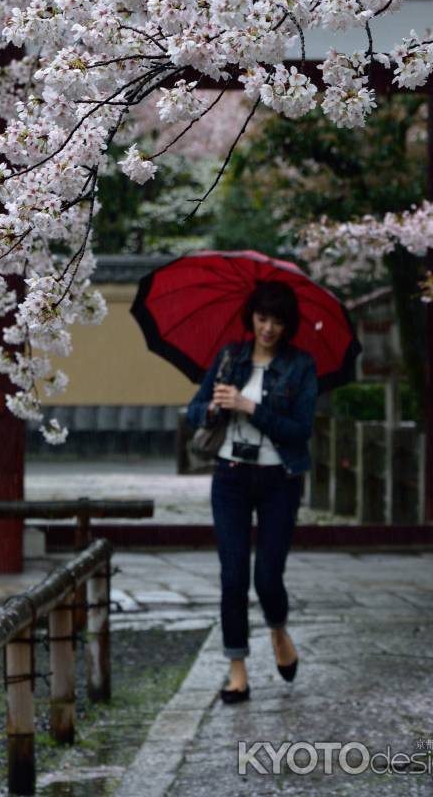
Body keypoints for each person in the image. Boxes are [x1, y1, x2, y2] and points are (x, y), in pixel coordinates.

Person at [186, 280, 318, 703]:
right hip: (231, 477)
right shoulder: (230, 357)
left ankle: (278, 630)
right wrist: (211, 407)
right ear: (252, 318)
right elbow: (194, 410)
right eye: (262, 319)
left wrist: (251, 409)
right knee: (233, 576)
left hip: (279, 479)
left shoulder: (301, 366)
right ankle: (237, 670)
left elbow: (301, 430)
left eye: (277, 321)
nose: (268, 329)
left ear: (287, 325)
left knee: (267, 577)